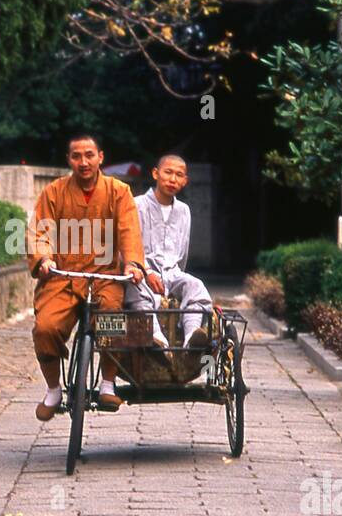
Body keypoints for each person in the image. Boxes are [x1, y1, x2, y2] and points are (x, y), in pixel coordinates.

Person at [29, 134, 146, 421]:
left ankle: (108, 382)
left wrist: (132, 263)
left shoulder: (119, 191)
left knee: (111, 319)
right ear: (69, 160)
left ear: (100, 157)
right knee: (45, 327)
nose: (84, 162)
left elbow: (129, 231)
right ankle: (54, 389)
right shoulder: (54, 192)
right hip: (63, 276)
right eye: (77, 156)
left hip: (105, 275)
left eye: (89, 155)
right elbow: (39, 232)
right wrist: (43, 259)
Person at [124, 154, 213, 350]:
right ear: (156, 174)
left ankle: (191, 337)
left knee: (195, 286)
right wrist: (146, 272)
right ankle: (155, 336)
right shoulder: (137, 205)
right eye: (168, 172)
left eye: (179, 175)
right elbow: (129, 245)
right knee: (135, 287)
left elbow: (183, 252)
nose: (173, 179)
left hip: (172, 273)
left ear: (185, 181)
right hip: (142, 273)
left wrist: (175, 280)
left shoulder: (184, 211)